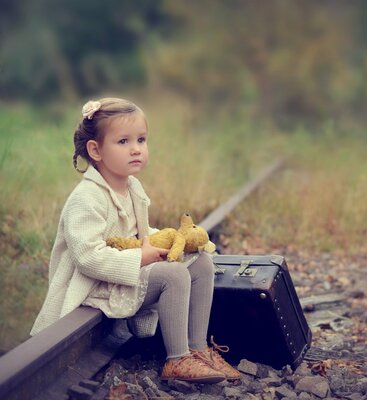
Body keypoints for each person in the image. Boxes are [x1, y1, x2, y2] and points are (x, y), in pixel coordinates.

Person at [30, 98, 239, 383]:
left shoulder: (131, 186)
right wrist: (142, 257)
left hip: (121, 271)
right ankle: (176, 359)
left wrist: (165, 240)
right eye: (123, 141)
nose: (136, 149)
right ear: (96, 150)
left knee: (201, 262)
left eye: (141, 140)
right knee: (173, 274)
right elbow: (89, 258)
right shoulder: (86, 198)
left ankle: (199, 349)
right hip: (92, 284)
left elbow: (137, 233)